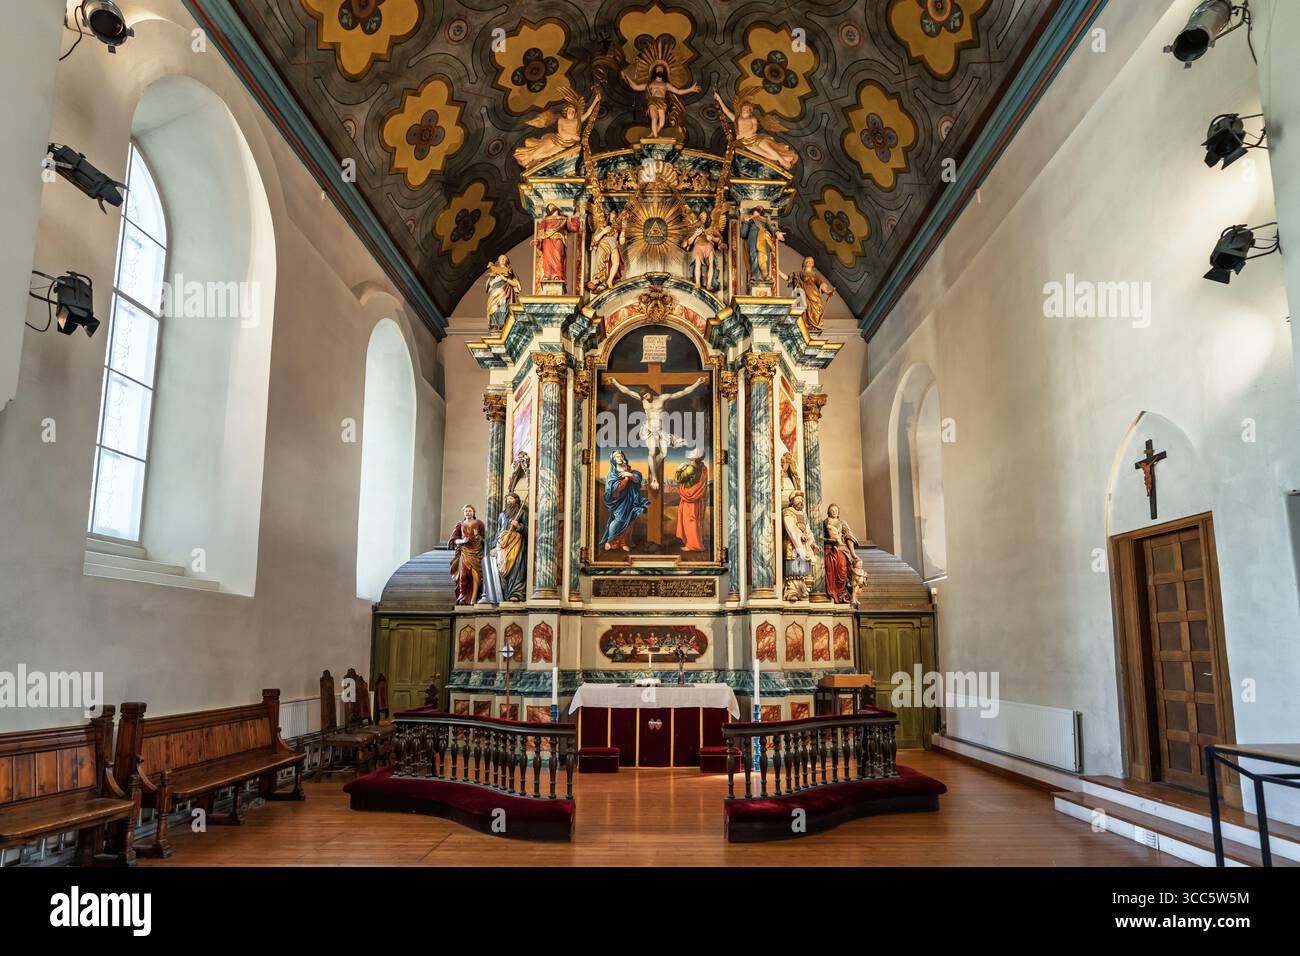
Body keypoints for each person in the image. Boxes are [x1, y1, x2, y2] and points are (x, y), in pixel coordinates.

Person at [606, 374, 708, 491]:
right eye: (643, 396)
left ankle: (652, 471)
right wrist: (614, 382)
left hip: (661, 431)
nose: (645, 397)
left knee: (664, 454)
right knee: (652, 451)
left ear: (650, 391)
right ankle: (654, 477)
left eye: (646, 394)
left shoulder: (663, 398)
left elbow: (683, 392)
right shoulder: (643, 400)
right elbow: (627, 391)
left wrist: (697, 383)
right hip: (649, 430)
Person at [600, 451, 650, 551]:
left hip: (630, 499)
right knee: (619, 521)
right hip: (619, 502)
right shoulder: (612, 473)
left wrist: (630, 475)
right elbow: (614, 489)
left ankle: (624, 542)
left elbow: (637, 478)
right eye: (617, 456)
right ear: (613, 459)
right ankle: (611, 542)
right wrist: (626, 478)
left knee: (629, 521)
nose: (620, 458)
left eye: (621, 456)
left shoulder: (628, 469)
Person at [781, 256, 836, 332]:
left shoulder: (815, 275)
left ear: (813, 264)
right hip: (801, 294)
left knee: (816, 312)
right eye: (807, 260)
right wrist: (778, 272)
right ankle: (804, 325)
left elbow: (822, 284)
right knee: (802, 307)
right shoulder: (797, 274)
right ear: (803, 263)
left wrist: (827, 292)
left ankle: (812, 326)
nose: (809, 262)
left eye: (811, 261)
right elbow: (787, 278)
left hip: (813, 296)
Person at [822, 503, 861, 604]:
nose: (834, 511)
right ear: (828, 512)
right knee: (830, 571)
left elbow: (849, 537)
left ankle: (842, 594)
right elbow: (819, 537)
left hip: (841, 549)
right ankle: (832, 594)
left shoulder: (842, 523)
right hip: (829, 550)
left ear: (839, 512)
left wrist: (853, 554)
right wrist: (829, 540)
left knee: (843, 570)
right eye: (832, 510)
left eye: (836, 510)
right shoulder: (824, 522)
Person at [447, 504, 485, 605]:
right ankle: (462, 596)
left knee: (476, 574)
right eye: (466, 511)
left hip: (477, 551)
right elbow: (454, 540)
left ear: (473, 512)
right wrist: (462, 541)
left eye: (470, 511)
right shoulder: (460, 524)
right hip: (465, 551)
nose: (468, 513)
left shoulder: (479, 523)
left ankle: (474, 597)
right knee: (463, 575)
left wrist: (480, 538)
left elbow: (486, 539)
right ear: (464, 513)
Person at [493, 493, 529, 601]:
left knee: (516, 567)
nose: (509, 501)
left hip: (516, 542)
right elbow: (498, 531)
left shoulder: (522, 513)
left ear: (516, 501)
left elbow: (529, 531)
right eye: (507, 499)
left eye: (511, 499)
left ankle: (516, 592)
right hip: (502, 544)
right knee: (502, 567)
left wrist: (519, 526)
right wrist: (494, 546)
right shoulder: (502, 515)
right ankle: (504, 593)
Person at [674, 447, 709, 552]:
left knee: (690, 521)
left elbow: (678, 479)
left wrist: (679, 469)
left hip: (689, 497)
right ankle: (693, 543)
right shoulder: (703, 467)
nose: (691, 452)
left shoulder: (690, 468)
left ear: (696, 457)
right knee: (695, 520)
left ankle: (693, 545)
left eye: (694, 452)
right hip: (697, 499)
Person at [483, 255, 521, 331]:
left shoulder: (509, 270)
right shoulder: (494, 271)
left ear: (507, 261)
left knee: (503, 307)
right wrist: (494, 280)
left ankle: (502, 324)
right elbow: (489, 285)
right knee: (494, 307)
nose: (502, 259)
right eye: (501, 258)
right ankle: (494, 324)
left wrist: (505, 279)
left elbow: (516, 284)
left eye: (504, 258)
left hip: (505, 292)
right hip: (494, 293)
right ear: (498, 260)